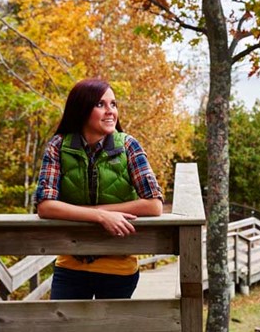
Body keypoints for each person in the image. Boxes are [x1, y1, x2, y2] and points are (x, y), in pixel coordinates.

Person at [34, 78, 163, 299]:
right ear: (81, 108)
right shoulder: (58, 145)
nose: (110, 111)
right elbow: (45, 206)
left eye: (113, 104)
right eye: (100, 104)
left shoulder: (128, 146)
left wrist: (100, 212)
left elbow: (154, 204)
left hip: (119, 264)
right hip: (71, 263)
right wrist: (99, 216)